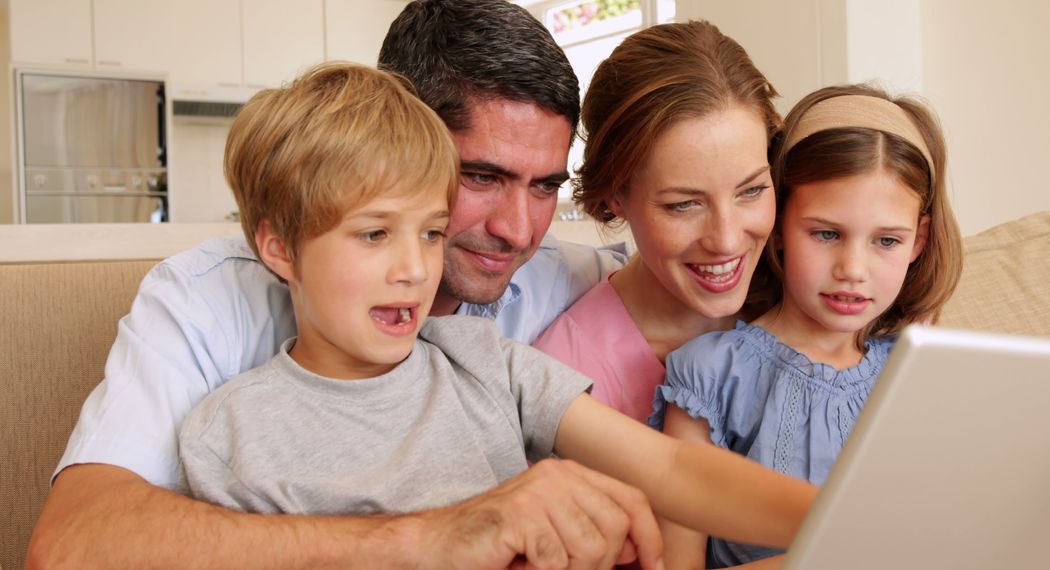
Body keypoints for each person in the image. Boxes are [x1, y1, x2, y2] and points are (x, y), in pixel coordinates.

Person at [28, 1, 635, 567]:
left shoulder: (567, 276)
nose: (518, 231)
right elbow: (72, 542)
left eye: (545, 186)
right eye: (480, 176)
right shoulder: (204, 301)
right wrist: (428, 536)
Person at [177, 63, 817, 570]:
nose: (414, 269)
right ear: (279, 248)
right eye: (374, 235)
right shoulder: (229, 433)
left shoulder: (485, 360)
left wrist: (843, 520)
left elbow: (675, 469)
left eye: (431, 233)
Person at [650, 84, 964, 568]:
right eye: (826, 234)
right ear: (777, 225)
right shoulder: (712, 377)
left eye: (886, 241)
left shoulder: (916, 367)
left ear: (918, 241)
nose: (852, 269)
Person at [533, 21, 780, 424]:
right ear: (616, 195)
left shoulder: (814, 306)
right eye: (684, 205)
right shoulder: (565, 377)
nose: (727, 239)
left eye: (751, 191)